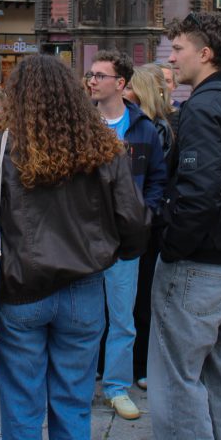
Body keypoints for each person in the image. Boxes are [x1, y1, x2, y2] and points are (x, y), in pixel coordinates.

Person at [0, 53, 149, 440]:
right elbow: (133, 219)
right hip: (83, 287)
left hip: (20, 286)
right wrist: (112, 254)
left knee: (21, 407)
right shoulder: (103, 148)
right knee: (73, 402)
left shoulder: (1, 148)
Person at [151, 12, 221, 438]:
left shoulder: (204, 107)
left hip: (200, 266)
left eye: (178, 49)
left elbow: (200, 194)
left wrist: (171, 245)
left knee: (178, 380)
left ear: (205, 53)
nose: (172, 58)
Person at [85, 50, 165, 421]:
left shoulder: (143, 128)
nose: (92, 81)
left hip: (125, 240)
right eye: (91, 75)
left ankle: (117, 386)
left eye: (100, 76)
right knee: (83, 318)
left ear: (120, 83)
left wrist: (144, 215)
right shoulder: (81, 124)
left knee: (122, 318)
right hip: (84, 238)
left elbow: (158, 178)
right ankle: (80, 384)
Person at [124, 62, 175, 390]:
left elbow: (157, 178)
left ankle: (141, 363)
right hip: (132, 222)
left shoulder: (157, 129)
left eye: (129, 86)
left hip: (148, 224)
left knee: (143, 298)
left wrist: (147, 211)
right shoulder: (130, 125)